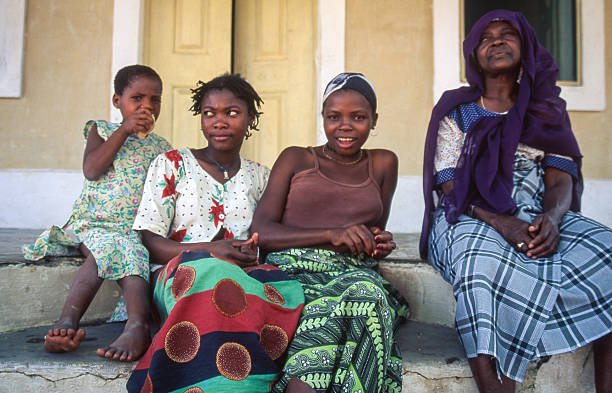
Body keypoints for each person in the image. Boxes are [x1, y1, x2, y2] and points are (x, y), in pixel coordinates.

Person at [420, 9, 612, 392]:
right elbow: (450, 187)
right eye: (485, 38)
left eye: (508, 34)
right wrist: (501, 222)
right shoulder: (456, 111)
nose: (496, 42)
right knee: (477, 266)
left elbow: (561, 178)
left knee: (607, 251)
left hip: (537, 207)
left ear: (526, 47)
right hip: (468, 212)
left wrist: (553, 219)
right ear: (473, 54)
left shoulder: (546, 109)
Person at [126, 73, 304, 392]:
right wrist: (212, 250)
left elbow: (269, 235)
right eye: (210, 113)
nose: (219, 121)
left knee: (290, 289)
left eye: (231, 113)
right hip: (180, 273)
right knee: (211, 275)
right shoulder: (171, 164)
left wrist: (250, 250)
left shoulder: (261, 177)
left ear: (251, 119)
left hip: (244, 276)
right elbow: (150, 240)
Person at [251, 72, 409, 393]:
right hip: (293, 270)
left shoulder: (383, 163)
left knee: (368, 297)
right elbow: (261, 232)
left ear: (374, 120)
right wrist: (331, 234)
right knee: (327, 309)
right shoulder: (296, 158)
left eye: (358, 117)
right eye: (334, 117)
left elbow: (375, 230)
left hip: (354, 272)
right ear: (323, 118)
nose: (345, 126)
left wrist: (378, 242)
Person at [23, 64, 173, 361]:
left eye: (154, 99)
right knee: (106, 249)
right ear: (118, 101)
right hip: (93, 222)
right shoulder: (101, 130)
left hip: (131, 229)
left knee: (133, 253)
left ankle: (136, 325)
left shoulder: (162, 147)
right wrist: (124, 130)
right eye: (137, 98)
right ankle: (67, 323)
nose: (147, 106)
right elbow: (92, 169)